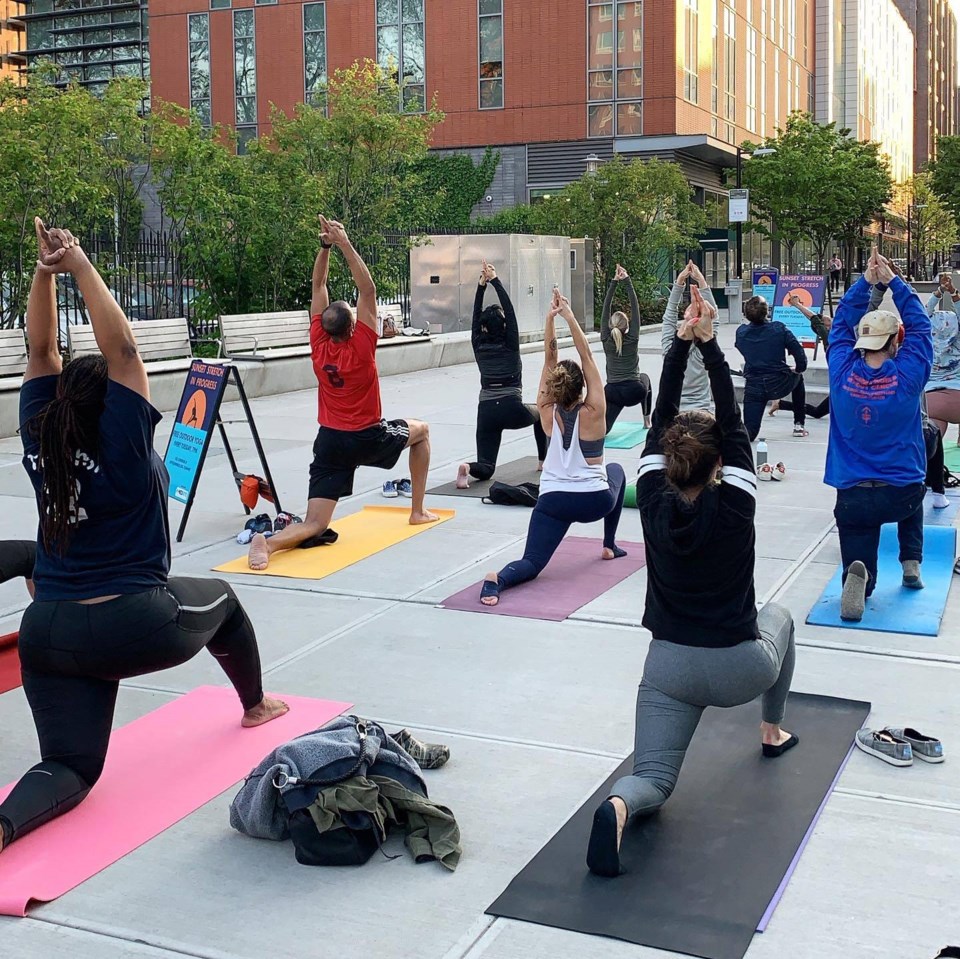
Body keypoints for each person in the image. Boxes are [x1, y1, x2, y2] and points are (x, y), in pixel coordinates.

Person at [0, 220, 287, 855]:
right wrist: (76, 265)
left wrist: (44, 274)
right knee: (226, 603)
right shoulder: (124, 444)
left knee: (71, 767)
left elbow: (40, 354)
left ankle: (3, 825)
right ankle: (257, 703)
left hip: (46, 631)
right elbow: (125, 352)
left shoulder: (42, 436)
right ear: (112, 405)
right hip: (133, 623)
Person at [586, 285, 797, 878]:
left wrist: (679, 346)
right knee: (778, 618)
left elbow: (660, 422)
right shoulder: (738, 504)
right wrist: (708, 345)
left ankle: (622, 805)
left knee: (653, 776)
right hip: (738, 666)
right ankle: (771, 728)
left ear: (670, 462)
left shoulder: (651, 497)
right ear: (720, 465)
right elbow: (731, 421)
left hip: (668, 669)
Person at [248, 217, 438, 570]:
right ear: (353, 326)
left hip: (330, 441)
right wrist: (345, 244)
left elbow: (317, 283)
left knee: (315, 524)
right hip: (367, 436)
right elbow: (368, 290)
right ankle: (417, 511)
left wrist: (324, 247)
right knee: (422, 431)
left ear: (323, 326)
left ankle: (269, 544)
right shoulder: (362, 347)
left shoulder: (318, 344)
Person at [478, 292, 627, 606]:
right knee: (617, 471)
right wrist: (569, 316)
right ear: (582, 387)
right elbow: (587, 357)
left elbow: (549, 361)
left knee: (532, 562)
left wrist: (549, 319)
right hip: (594, 501)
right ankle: (609, 544)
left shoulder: (547, 411)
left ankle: (498, 581)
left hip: (553, 501)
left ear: (555, 387)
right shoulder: (595, 411)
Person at [826, 247, 932, 622]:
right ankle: (911, 560)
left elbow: (840, 324)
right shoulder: (908, 375)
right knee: (919, 469)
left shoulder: (840, 371)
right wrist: (892, 282)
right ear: (893, 344)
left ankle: (859, 577)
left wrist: (865, 283)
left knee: (858, 540)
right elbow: (921, 327)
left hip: (852, 492)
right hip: (902, 492)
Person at [455, 259, 547, 488]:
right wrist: (495, 280)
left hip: (486, 412)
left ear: (484, 328)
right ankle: (543, 461)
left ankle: (467, 467)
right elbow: (510, 310)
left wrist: (481, 286)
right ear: (504, 327)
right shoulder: (510, 343)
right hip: (511, 407)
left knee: (486, 468)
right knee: (543, 411)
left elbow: (475, 318)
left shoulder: (478, 344)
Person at [735, 296, 809, 440]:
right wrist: (799, 368)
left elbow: (740, 346)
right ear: (767, 312)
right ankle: (799, 424)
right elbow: (799, 354)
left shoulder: (741, 332)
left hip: (754, 385)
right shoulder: (778, 329)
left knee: (749, 433)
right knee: (798, 378)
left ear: (745, 314)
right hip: (779, 381)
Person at [600, 263, 652, 433]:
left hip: (612, 392)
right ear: (627, 325)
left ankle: (605, 427)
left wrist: (614, 282)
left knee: (604, 428)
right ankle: (646, 421)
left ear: (610, 325)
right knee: (645, 378)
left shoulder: (606, 339)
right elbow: (635, 307)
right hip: (634, 392)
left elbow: (605, 308)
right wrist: (626, 280)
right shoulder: (633, 338)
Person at [661, 260, 718, 411]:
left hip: (674, 412)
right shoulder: (705, 353)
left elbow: (669, 317)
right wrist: (702, 282)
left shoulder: (670, 351)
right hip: (702, 411)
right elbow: (715, 320)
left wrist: (679, 283)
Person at [770, 294, 832, 421]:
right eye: (828, 320)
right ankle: (780, 404)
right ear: (825, 327)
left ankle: (780, 404)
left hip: (843, 386)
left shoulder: (838, 333)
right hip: (843, 388)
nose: (831, 319)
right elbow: (814, 319)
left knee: (817, 412)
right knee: (817, 412)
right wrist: (797, 305)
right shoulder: (829, 339)